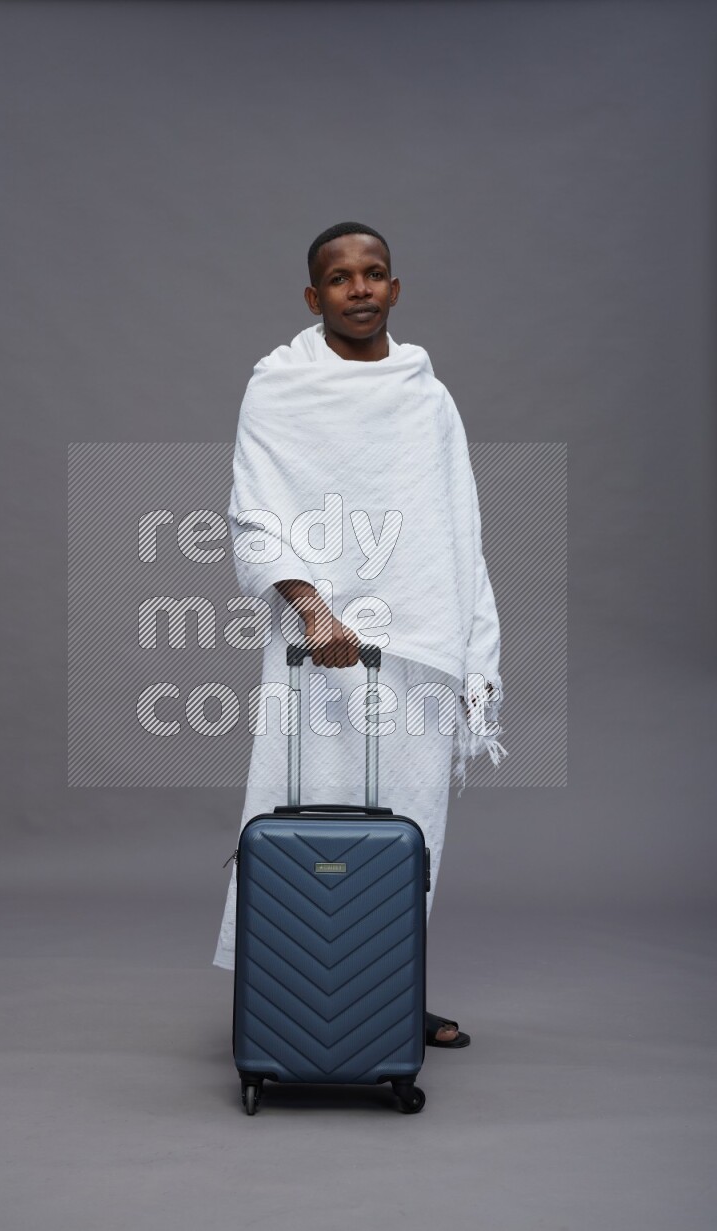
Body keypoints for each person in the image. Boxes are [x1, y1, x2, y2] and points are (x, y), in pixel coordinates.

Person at [213, 221, 507, 1049]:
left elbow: (457, 524)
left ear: (395, 288)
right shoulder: (278, 386)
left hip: (416, 641)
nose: (360, 289)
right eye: (341, 278)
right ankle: (280, 997)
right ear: (315, 297)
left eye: (375, 273)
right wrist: (312, 606)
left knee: (406, 822)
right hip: (318, 643)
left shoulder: (426, 392)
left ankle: (386, 998)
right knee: (295, 809)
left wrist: (467, 642)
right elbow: (256, 508)